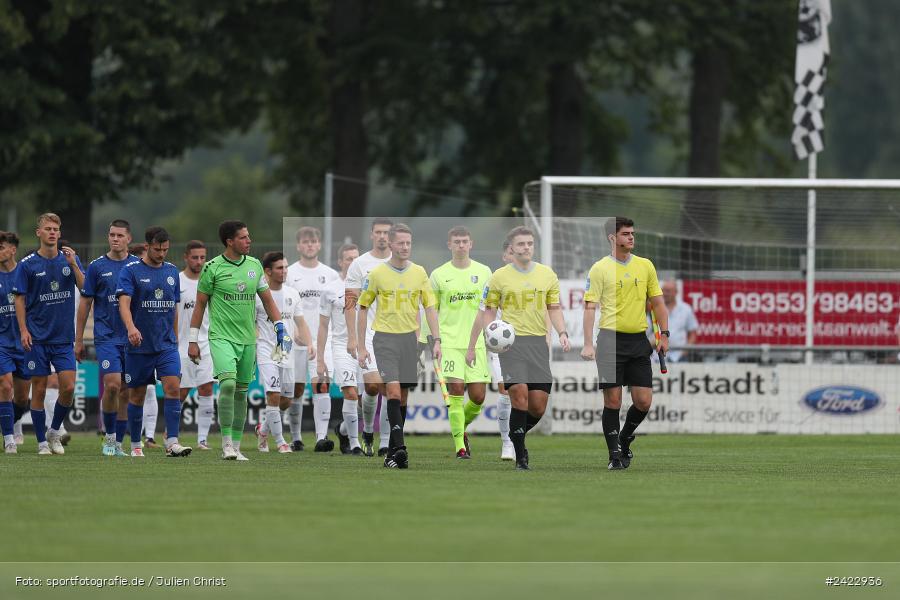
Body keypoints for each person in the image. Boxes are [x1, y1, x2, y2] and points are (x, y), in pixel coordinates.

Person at [466, 226, 571, 471]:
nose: (526, 248)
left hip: (538, 343)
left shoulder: (547, 275)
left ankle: (516, 437)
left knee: (537, 405)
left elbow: (553, 307)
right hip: (511, 346)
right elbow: (489, 310)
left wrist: (562, 332)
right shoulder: (499, 277)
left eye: (529, 243)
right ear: (511, 248)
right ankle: (521, 456)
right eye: (521, 244)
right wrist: (489, 334)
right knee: (519, 396)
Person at [188, 220, 291, 460]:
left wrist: (280, 328)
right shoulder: (212, 268)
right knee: (227, 385)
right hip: (221, 337)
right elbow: (200, 305)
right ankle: (225, 444)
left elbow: (268, 301)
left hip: (248, 340)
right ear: (230, 241)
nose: (249, 241)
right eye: (244, 237)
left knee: (241, 392)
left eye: (248, 236)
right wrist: (193, 341)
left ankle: (236, 446)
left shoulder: (255, 265)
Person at [581, 217, 668, 470]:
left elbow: (658, 303)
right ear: (612, 238)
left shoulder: (645, 266)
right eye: (626, 234)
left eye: (632, 233)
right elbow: (589, 308)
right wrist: (588, 343)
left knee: (644, 401)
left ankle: (625, 437)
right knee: (613, 402)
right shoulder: (599, 269)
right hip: (609, 340)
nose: (631, 237)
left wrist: (664, 335)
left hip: (639, 341)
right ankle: (614, 455)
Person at [357, 223, 441, 469]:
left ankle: (392, 453)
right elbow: (362, 309)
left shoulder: (420, 273)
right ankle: (401, 447)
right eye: (401, 243)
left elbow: (429, 308)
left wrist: (436, 340)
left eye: (408, 243)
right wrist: (361, 347)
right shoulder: (376, 274)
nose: (405, 247)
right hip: (384, 339)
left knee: (402, 397)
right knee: (392, 392)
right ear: (391, 244)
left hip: (409, 341)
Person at [12, 213, 84, 455]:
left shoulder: (69, 259)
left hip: (64, 338)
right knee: (40, 389)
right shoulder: (28, 264)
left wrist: (74, 264)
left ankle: (54, 432)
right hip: (38, 338)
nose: (52, 232)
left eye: (56, 229)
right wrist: (23, 330)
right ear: (39, 233)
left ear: (60, 233)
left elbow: (85, 289)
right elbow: (19, 299)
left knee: (69, 387)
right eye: (48, 229)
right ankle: (42, 442)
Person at [117, 226, 191, 458]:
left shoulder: (171, 272)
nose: (162, 254)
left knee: (172, 387)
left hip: (166, 345)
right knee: (137, 395)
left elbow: (174, 306)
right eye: (158, 249)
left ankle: (172, 441)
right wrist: (131, 328)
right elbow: (124, 303)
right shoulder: (130, 271)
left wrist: (175, 336)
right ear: (147, 246)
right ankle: (136, 444)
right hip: (139, 345)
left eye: (166, 250)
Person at [429, 226, 493, 459]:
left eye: (465, 241)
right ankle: (460, 447)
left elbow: (491, 306)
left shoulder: (485, 272)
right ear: (449, 245)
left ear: (471, 244)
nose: (461, 245)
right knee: (455, 390)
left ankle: (459, 427)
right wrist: (433, 340)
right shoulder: (438, 274)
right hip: (449, 343)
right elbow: (431, 310)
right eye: (456, 242)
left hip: (476, 343)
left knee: (478, 397)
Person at [76, 219, 139, 456]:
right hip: (106, 337)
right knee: (112, 385)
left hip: (132, 339)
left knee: (126, 391)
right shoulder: (96, 267)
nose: (115, 239)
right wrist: (79, 340)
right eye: (112, 235)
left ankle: (119, 443)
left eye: (120, 235)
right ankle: (109, 439)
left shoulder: (137, 265)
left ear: (128, 239)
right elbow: (85, 304)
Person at [286, 226, 339, 452]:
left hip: (321, 342)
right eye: (305, 241)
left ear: (319, 244)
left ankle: (321, 437)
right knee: (296, 390)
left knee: (321, 384)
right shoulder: (289, 273)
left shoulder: (330, 274)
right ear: (298, 245)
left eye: (313, 241)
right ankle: (296, 438)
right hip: (295, 340)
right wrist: (294, 332)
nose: (309, 245)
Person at [344, 217, 393, 456]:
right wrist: (353, 338)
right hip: (369, 335)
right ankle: (367, 430)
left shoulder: (402, 264)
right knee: (373, 386)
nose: (382, 236)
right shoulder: (359, 264)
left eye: (386, 233)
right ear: (372, 235)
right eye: (379, 232)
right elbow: (350, 303)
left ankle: (384, 442)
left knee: (387, 388)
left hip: (395, 333)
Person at [255, 251, 311, 455]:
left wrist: (310, 344)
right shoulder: (257, 295)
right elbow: (251, 324)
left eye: (286, 267)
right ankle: (280, 442)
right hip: (265, 350)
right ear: (268, 271)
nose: (285, 271)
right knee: (273, 394)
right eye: (280, 268)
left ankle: (263, 430)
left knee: (286, 400)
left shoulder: (292, 293)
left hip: (287, 353)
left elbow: (301, 323)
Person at [176, 241, 216, 450]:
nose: (199, 262)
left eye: (203, 257)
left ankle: (202, 440)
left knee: (207, 389)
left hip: (206, 344)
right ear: (186, 257)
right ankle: (171, 434)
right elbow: (173, 314)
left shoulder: (210, 281)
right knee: (181, 392)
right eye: (195, 257)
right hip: (182, 345)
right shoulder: (178, 281)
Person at [127, 243, 161, 447]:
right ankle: (121, 432)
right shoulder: (130, 275)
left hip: (153, 343)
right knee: (126, 390)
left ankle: (149, 436)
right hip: (130, 342)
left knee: (149, 390)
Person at [0, 231, 30, 454]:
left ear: (12, 250)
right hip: (2, 342)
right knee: (6, 386)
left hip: (25, 343)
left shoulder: (26, 271)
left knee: (21, 398)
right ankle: (9, 439)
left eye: (2, 247)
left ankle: (8, 422)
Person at [646, 279, 697, 363]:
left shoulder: (686, 309)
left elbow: (693, 333)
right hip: (656, 357)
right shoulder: (653, 309)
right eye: (663, 291)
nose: (665, 293)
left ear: (676, 292)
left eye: (668, 291)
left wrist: (685, 351)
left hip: (679, 357)